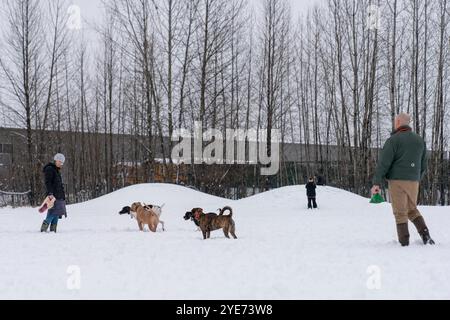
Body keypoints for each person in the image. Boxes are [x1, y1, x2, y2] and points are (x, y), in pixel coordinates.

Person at [371, 113, 434, 246]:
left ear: (399, 122)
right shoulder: (420, 141)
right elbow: (423, 165)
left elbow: (384, 163)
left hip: (397, 181)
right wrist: (416, 177)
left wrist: (376, 182)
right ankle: (426, 236)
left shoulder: (394, 140)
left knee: (400, 212)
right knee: (412, 210)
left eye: (395, 121)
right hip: (414, 181)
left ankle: (404, 243)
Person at [40, 153, 67, 233]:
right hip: (53, 195)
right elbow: (48, 182)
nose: (61, 164)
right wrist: (50, 193)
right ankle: (43, 229)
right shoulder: (50, 169)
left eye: (62, 163)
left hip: (58, 195)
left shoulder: (56, 170)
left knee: (57, 213)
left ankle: (53, 230)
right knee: (52, 212)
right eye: (60, 162)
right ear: (56, 160)